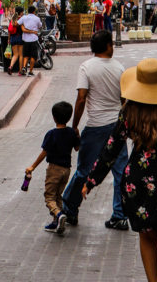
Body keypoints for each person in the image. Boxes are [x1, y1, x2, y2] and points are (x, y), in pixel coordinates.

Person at [83, 58, 157, 282]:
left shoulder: (129, 111)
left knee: (147, 237)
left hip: (136, 181)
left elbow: (110, 149)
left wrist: (91, 180)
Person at [62, 29, 130, 230]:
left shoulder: (86, 67)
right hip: (116, 127)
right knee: (120, 172)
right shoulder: (119, 69)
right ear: (107, 46)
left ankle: (70, 209)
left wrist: (74, 125)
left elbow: (81, 98)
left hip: (95, 126)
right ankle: (119, 215)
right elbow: (124, 100)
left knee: (84, 170)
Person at [25, 100, 79, 234]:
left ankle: (59, 215)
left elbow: (44, 152)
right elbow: (77, 148)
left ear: (54, 117)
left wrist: (32, 167)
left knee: (49, 197)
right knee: (58, 196)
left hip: (54, 169)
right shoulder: (72, 133)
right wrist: (77, 134)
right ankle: (57, 223)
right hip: (66, 170)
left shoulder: (51, 134)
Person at [18, 5, 42, 75]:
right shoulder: (37, 18)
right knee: (33, 56)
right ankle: (31, 71)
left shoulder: (24, 17)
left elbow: (17, 23)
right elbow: (40, 26)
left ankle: (24, 67)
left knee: (26, 55)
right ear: (34, 11)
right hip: (33, 39)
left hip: (25, 39)